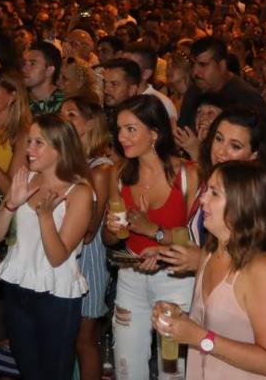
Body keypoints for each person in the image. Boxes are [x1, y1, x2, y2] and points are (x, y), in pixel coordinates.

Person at [153, 161, 266, 380]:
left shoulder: (265, 269)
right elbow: (216, 326)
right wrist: (180, 320)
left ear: (242, 203)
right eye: (205, 191)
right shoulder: (211, 252)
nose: (202, 199)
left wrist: (201, 337)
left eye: (214, 193)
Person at [0, 114, 93, 380]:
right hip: (16, 287)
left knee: (54, 372)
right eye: (29, 142)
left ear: (60, 148)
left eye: (38, 143)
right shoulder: (27, 179)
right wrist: (11, 204)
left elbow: (57, 257)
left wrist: (45, 217)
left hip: (55, 294)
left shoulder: (78, 192)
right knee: (28, 370)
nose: (29, 149)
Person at [103, 94, 199, 380]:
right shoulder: (119, 174)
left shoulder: (187, 175)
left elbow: (198, 244)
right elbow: (111, 240)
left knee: (173, 371)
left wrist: (153, 233)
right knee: (126, 366)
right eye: (119, 129)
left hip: (176, 280)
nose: (122, 137)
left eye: (131, 129)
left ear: (154, 133)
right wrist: (111, 228)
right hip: (131, 275)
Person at [162, 107, 266, 275]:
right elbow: (198, 241)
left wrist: (201, 260)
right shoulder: (209, 183)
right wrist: (164, 251)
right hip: (204, 288)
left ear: (254, 154)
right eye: (219, 139)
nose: (221, 151)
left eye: (235, 146)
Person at [59, 96, 116, 380]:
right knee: (65, 336)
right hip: (67, 252)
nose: (64, 119)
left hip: (89, 256)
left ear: (91, 122)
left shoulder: (100, 168)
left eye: (72, 114)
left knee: (84, 337)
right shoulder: (69, 162)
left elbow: (91, 226)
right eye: (62, 114)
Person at [175, 38, 266, 133]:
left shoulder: (247, 99)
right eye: (193, 65)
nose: (195, 72)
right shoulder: (194, 91)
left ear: (222, 66)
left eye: (203, 65)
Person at [24, 41, 66, 116]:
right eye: (24, 63)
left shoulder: (65, 104)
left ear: (49, 70)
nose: (24, 69)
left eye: (32, 63)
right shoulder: (18, 101)